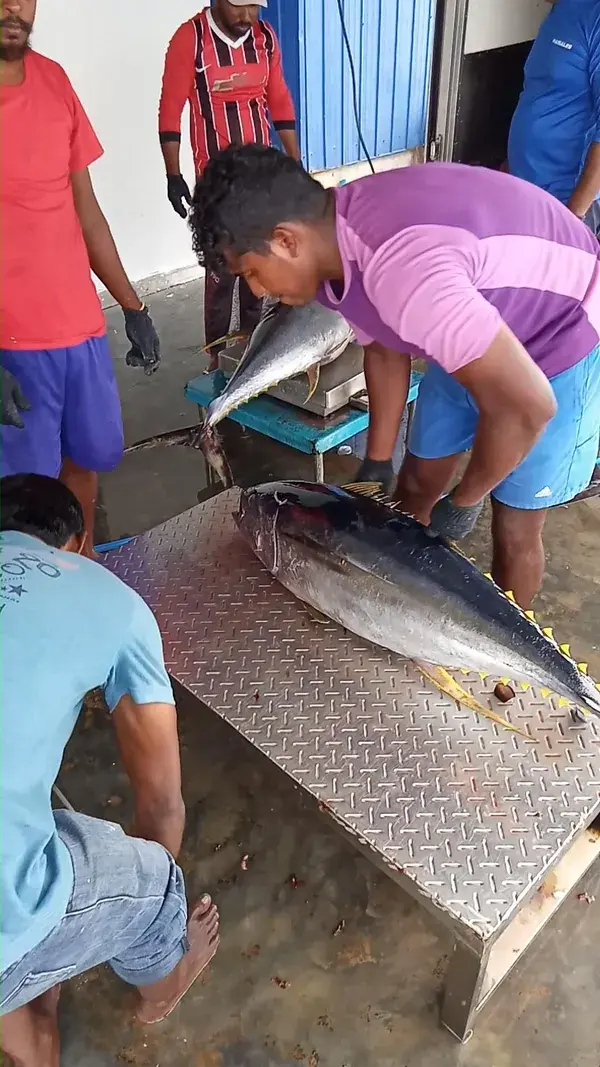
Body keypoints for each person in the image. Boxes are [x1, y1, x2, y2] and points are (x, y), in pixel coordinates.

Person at [189, 144, 600, 609]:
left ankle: (502, 668)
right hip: (475, 321)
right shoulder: (338, 242)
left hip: (561, 333)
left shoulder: (404, 270)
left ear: (286, 241)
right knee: (413, 486)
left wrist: (466, 501)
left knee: (514, 524)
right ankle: (404, 611)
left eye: (254, 273)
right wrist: (378, 461)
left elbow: (529, 406)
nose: (260, 291)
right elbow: (384, 348)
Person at [0, 474, 220, 1067]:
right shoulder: (106, 594)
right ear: (77, 543)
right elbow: (161, 805)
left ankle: (29, 1017)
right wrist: (147, 906)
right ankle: (161, 993)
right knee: (155, 886)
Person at [0, 0, 162, 554]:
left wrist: (132, 306)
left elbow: (85, 208)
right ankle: (32, 608)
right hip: (13, 346)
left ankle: (86, 567)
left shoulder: (54, 81)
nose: (12, 5)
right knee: (25, 499)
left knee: (86, 464)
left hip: (82, 330)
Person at [159, 0, 299, 363]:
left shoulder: (265, 39)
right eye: (239, 8)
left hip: (258, 179)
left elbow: (279, 100)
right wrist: (173, 175)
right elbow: (171, 108)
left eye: (255, 8)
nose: (247, 18)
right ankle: (216, 360)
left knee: (259, 269)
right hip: (216, 185)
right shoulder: (190, 39)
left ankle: (251, 355)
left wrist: (294, 165)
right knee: (221, 274)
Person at [508, 0, 600, 235]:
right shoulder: (560, 12)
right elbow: (540, 96)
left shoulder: (594, 16)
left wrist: (573, 217)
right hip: (525, 189)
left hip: (566, 206)